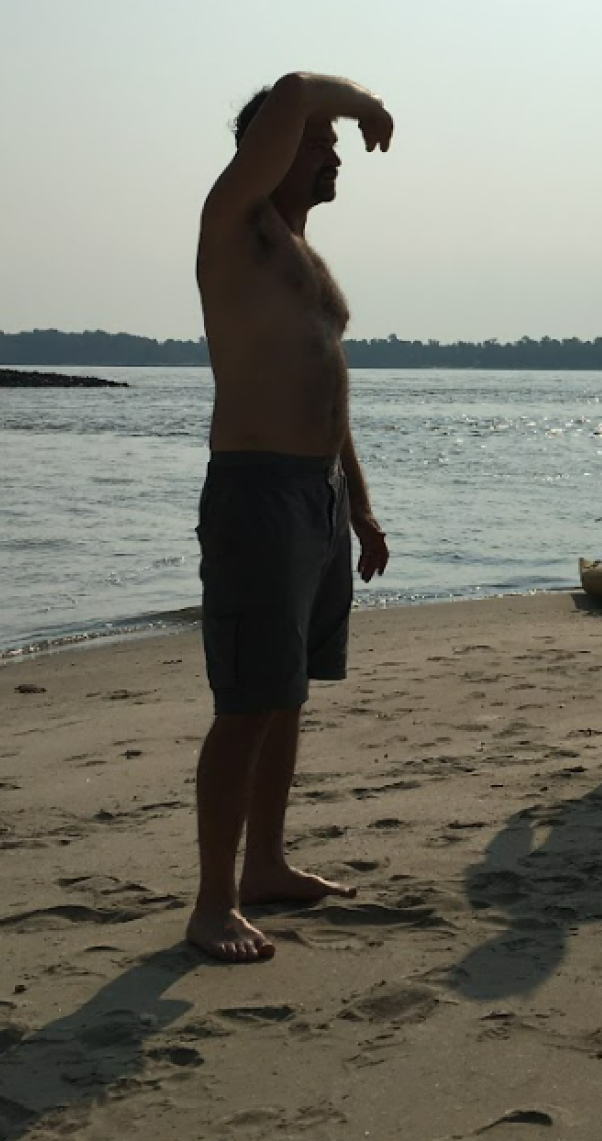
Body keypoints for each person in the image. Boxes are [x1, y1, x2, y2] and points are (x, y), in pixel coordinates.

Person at [188, 71, 396, 962]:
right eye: (318, 139)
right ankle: (211, 903)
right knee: (247, 702)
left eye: (333, 137)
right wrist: (363, 101)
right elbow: (295, 86)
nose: (336, 147)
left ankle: (266, 864)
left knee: (287, 696)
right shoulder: (233, 225)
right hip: (256, 490)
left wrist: (358, 503)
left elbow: (324, 379)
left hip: (314, 496)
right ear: (268, 149)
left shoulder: (301, 258)